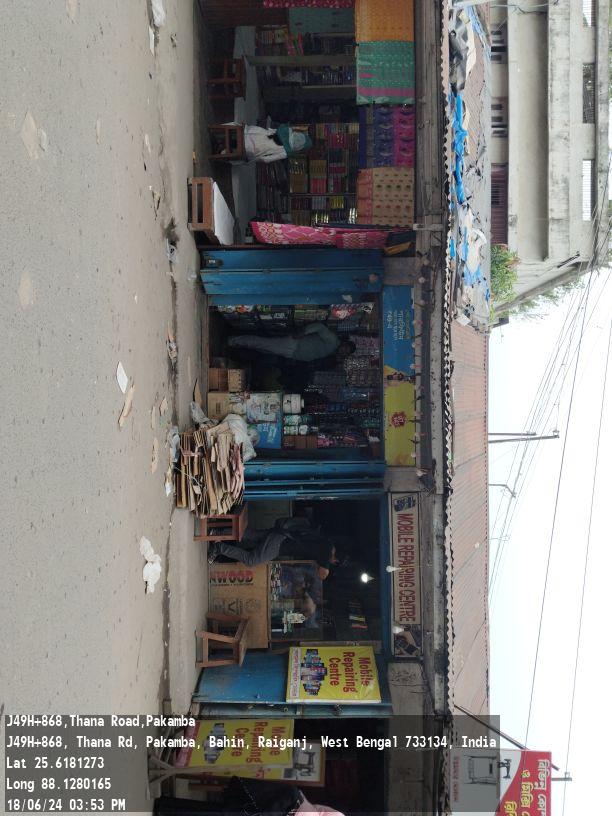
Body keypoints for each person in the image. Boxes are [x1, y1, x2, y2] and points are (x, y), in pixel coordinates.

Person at [208, 517, 341, 581]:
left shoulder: (325, 542)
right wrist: (327, 566)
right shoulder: (327, 551)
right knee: (252, 560)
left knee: (252, 535)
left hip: (282, 533)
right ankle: (219, 547)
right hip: (280, 544)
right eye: (335, 562)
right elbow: (322, 574)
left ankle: (217, 533)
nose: (333, 563)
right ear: (336, 559)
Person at [228, 322, 355, 364]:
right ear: (344, 344)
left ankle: (237, 342)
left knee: (263, 348)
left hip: (293, 353)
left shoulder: (333, 350)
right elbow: (320, 327)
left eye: (346, 353)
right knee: (262, 344)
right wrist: (304, 332)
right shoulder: (333, 340)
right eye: (346, 348)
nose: (344, 351)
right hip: (294, 345)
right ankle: (233, 340)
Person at [244, 123, 313, 164]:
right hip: (250, 150)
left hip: (249, 133)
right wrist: (256, 158)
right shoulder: (286, 152)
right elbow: (266, 159)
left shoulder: (286, 130)